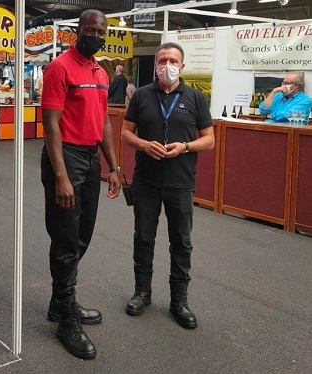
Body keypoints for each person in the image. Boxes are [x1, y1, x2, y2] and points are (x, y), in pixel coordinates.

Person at [41, 9, 121, 360]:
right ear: (78, 31)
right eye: (90, 30)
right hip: (67, 158)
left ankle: (61, 302)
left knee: (83, 235)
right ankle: (66, 320)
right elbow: (52, 125)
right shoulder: (60, 67)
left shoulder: (100, 72)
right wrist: (60, 174)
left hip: (90, 161)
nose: (96, 35)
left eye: (101, 31)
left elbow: (103, 121)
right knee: (65, 238)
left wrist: (114, 166)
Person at [121, 42, 215, 330]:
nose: (167, 65)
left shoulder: (196, 98)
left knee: (182, 244)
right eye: (162, 60)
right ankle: (142, 293)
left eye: (173, 60)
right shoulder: (140, 96)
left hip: (181, 182)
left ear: (182, 66)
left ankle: (179, 301)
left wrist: (185, 147)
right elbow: (126, 133)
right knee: (143, 239)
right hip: (146, 181)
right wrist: (143, 144)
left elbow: (209, 140)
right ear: (156, 65)